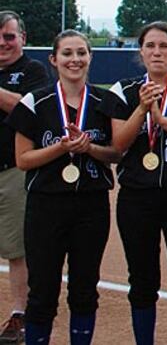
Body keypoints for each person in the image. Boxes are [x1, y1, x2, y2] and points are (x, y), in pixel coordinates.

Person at [6, 30, 121, 344]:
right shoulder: (36, 102)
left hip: (91, 205)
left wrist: (89, 149)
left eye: (82, 53)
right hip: (46, 205)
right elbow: (24, 160)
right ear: (54, 59)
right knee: (42, 291)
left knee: (84, 289)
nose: (75, 60)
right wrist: (60, 147)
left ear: (90, 57)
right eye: (68, 53)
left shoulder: (105, 101)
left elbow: (116, 153)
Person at [99, 21, 167, 345]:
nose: (157, 52)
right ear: (141, 52)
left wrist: (161, 120)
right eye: (150, 46)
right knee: (142, 279)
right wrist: (143, 109)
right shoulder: (124, 90)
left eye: (164, 46)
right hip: (137, 197)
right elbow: (118, 145)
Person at [0, 11, 49, 344]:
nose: (3, 43)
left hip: (12, 170)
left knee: (18, 247)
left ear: (23, 38)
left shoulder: (32, 71)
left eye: (9, 36)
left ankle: (20, 314)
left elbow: (26, 108)